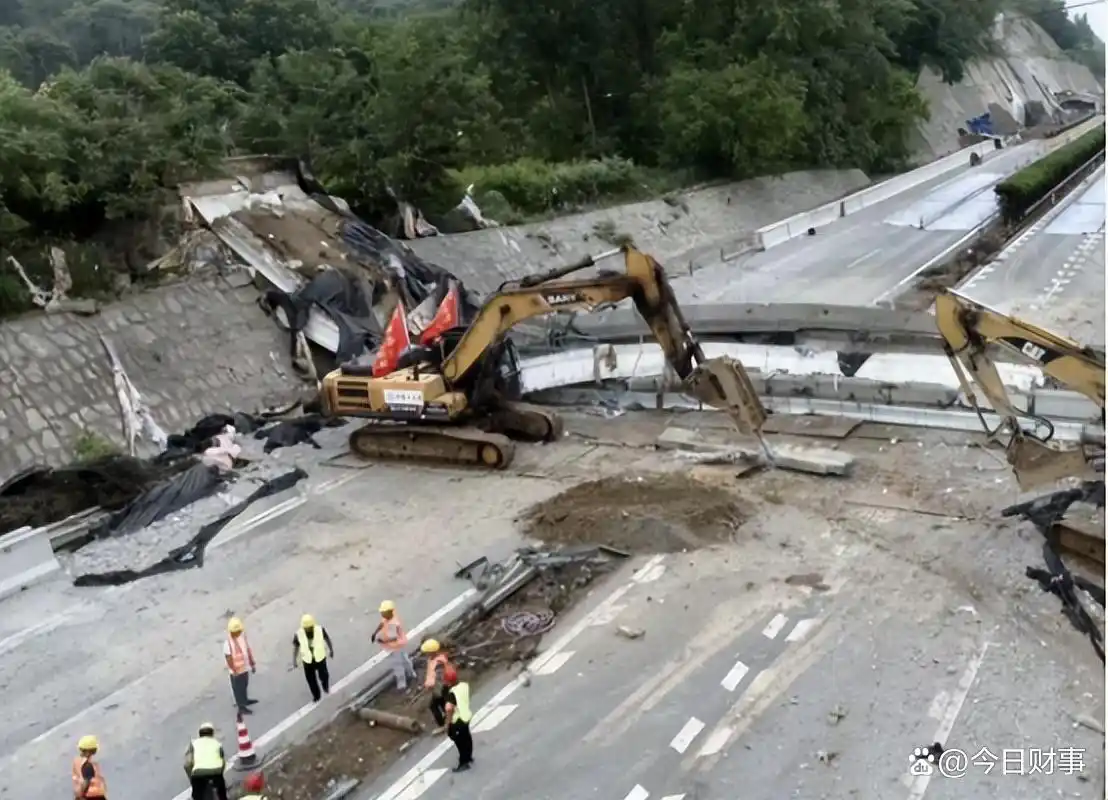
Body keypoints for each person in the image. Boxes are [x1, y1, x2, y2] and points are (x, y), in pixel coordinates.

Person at [372, 600, 415, 691]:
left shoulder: (393, 624)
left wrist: (382, 641)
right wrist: (375, 632)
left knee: (397, 664)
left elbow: (393, 638)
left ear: (389, 612)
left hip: (395, 646)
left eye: (383, 613)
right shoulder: (388, 617)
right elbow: (382, 623)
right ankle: (411, 673)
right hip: (400, 644)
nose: (382, 614)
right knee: (404, 659)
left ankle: (402, 683)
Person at [291, 614, 334, 702]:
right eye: (306, 628)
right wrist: (294, 660)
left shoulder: (320, 630)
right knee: (311, 680)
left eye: (309, 627)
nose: (307, 629)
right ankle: (316, 695)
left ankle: (325, 687)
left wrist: (331, 650)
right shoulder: (298, 634)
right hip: (307, 661)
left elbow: (327, 639)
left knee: (324, 676)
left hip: (320, 658)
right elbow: (296, 648)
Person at [442, 666, 474, 773]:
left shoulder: (452, 693)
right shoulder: (464, 686)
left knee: (460, 742)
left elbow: (449, 708)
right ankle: (469, 757)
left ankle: (463, 762)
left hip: (457, 721)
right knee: (467, 738)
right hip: (466, 717)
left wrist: (447, 724)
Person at [184, 723, 227, 800]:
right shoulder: (217, 743)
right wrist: (220, 774)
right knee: (222, 794)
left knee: (197, 795)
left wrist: (192, 778)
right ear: (212, 733)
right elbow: (222, 762)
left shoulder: (194, 743)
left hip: (198, 772)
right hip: (216, 771)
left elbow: (187, 764)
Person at [223, 617, 257, 715]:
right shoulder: (227, 644)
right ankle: (241, 707)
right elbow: (229, 659)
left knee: (244, 685)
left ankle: (245, 700)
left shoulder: (242, 638)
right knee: (238, 689)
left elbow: (247, 650)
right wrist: (234, 671)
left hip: (244, 668)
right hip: (236, 671)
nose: (239, 632)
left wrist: (252, 663)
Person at [420, 638, 452, 733]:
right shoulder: (432, 659)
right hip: (437, 687)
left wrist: (429, 685)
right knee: (442, 703)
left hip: (440, 687)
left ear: (432, 652)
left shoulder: (438, 661)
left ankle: (443, 724)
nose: (426, 654)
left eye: (427, 652)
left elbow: (438, 676)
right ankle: (449, 721)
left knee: (433, 705)